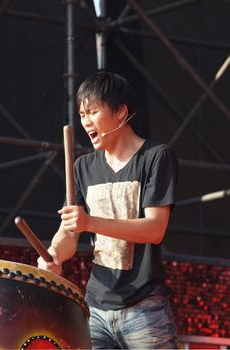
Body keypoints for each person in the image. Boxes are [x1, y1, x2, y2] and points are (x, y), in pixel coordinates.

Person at [38, 71, 178, 349]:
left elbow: (155, 229)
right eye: (82, 115)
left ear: (121, 112)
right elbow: (68, 233)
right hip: (96, 310)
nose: (86, 122)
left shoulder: (155, 157)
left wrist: (89, 221)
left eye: (92, 112)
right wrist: (54, 256)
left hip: (145, 307)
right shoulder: (82, 167)